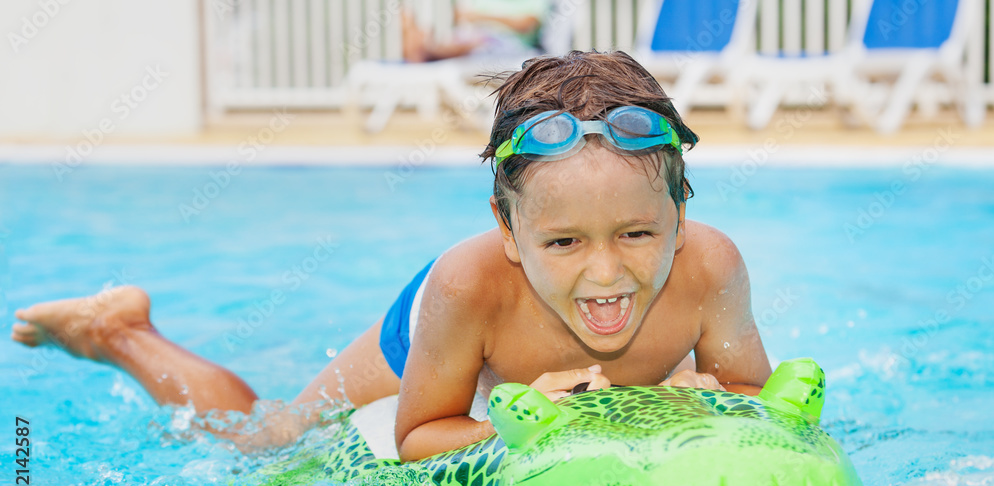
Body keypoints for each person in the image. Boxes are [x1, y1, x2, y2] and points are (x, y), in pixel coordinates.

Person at [11, 51, 771, 461]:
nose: (606, 271)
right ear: (510, 231)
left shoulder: (711, 269)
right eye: (564, 240)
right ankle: (120, 332)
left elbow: (752, 393)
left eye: (636, 234)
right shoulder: (470, 282)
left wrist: (701, 398)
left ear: (679, 215)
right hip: (439, 325)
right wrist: (535, 421)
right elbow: (418, 437)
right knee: (271, 441)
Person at [402, 0, 550, 63]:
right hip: (479, 39)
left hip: (514, 46)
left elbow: (526, 25)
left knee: (477, 42)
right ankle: (425, 49)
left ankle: (425, 52)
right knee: (466, 38)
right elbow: (465, 16)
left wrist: (481, 16)